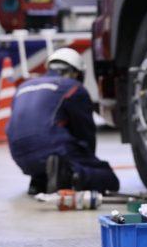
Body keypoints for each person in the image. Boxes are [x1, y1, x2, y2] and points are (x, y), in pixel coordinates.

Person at [7, 47, 120, 195]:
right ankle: (71, 177)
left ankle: (39, 180)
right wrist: (86, 164)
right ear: (76, 73)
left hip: (19, 157)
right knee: (108, 179)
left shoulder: (23, 87)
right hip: (51, 150)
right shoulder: (73, 88)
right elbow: (85, 134)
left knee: (48, 151)